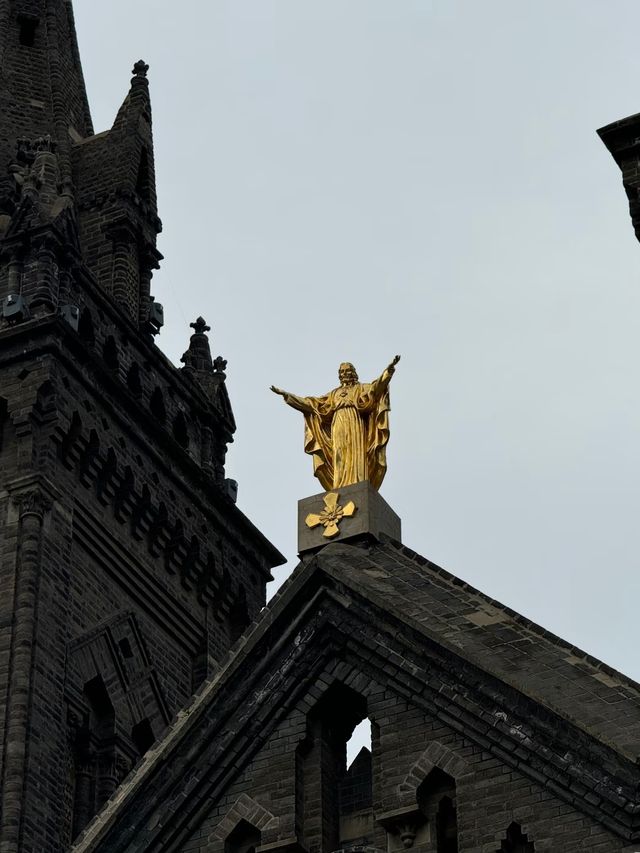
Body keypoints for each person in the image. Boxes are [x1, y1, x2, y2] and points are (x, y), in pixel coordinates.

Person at [271, 356, 400, 491]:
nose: (344, 374)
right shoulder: (334, 394)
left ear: (353, 373)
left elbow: (377, 388)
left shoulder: (362, 388)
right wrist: (287, 395)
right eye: (342, 372)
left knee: (355, 451)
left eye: (347, 371)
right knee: (339, 454)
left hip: (355, 422)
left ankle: (358, 482)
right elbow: (311, 404)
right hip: (338, 424)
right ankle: (340, 486)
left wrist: (388, 371)